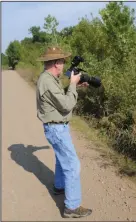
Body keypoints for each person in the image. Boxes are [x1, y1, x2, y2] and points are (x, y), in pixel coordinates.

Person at [36, 46, 92, 218]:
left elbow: (60, 100)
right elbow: (66, 105)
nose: (64, 64)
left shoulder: (50, 78)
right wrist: (73, 85)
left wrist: (74, 87)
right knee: (73, 165)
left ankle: (59, 186)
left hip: (57, 126)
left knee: (62, 160)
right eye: (62, 61)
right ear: (56, 63)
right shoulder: (47, 80)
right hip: (56, 128)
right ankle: (72, 207)